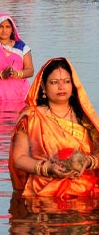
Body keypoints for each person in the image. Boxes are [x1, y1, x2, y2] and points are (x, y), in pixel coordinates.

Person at [9, 58, 99, 198]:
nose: (61, 87)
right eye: (54, 82)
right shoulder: (32, 118)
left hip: (87, 190)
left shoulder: (86, 118)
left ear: (73, 86)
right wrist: (48, 168)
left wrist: (88, 161)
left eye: (66, 82)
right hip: (45, 192)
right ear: (43, 87)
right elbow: (19, 159)